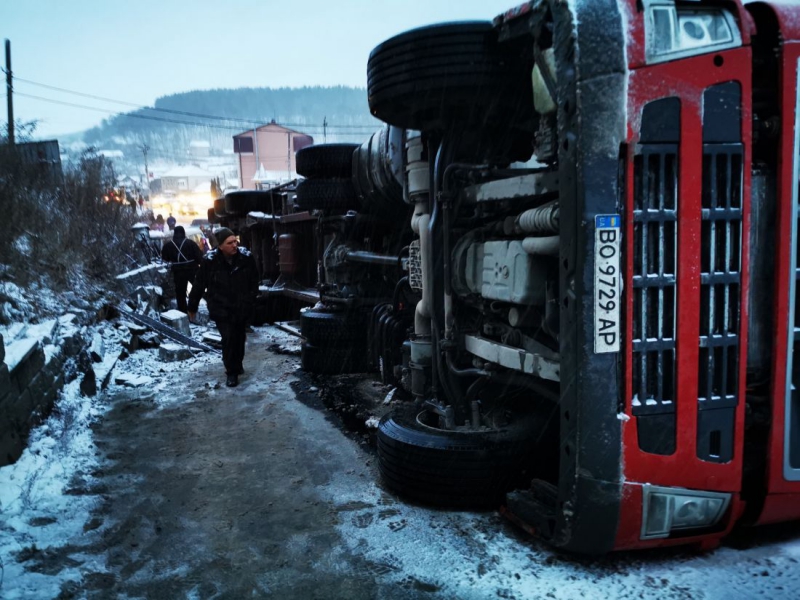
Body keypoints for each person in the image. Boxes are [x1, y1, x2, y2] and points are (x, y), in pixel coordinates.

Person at [188, 228, 258, 387]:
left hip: (241, 306)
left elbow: (254, 281)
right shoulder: (210, 261)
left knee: (239, 338)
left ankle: (237, 364)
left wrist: (251, 300)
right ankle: (231, 372)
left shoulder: (245, 258)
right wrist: (192, 306)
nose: (235, 245)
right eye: (230, 243)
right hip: (221, 307)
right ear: (220, 246)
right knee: (228, 338)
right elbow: (199, 285)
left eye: (235, 241)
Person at [161, 225, 204, 313]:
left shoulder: (168, 245)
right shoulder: (190, 243)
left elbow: (165, 258)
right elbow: (199, 257)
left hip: (178, 272)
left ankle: (183, 312)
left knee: (180, 294)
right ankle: (202, 305)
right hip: (192, 269)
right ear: (183, 232)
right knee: (199, 288)